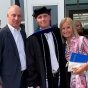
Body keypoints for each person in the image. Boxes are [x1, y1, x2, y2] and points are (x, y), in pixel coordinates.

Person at [26, 6, 68, 88]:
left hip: (62, 75)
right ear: (36, 20)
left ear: (50, 17)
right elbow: (31, 63)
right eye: (39, 17)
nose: (43, 19)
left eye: (45, 16)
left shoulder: (59, 33)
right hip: (44, 80)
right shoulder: (32, 40)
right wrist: (34, 83)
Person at [0, 5, 27, 88]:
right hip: (8, 82)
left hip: (23, 79)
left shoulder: (23, 33)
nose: (16, 18)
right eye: (13, 15)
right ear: (7, 16)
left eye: (19, 16)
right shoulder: (2, 34)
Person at [60, 17, 88, 88]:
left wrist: (81, 69)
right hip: (73, 80)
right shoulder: (64, 44)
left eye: (68, 27)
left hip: (85, 78)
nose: (66, 30)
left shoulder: (82, 40)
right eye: (63, 28)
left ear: (72, 28)